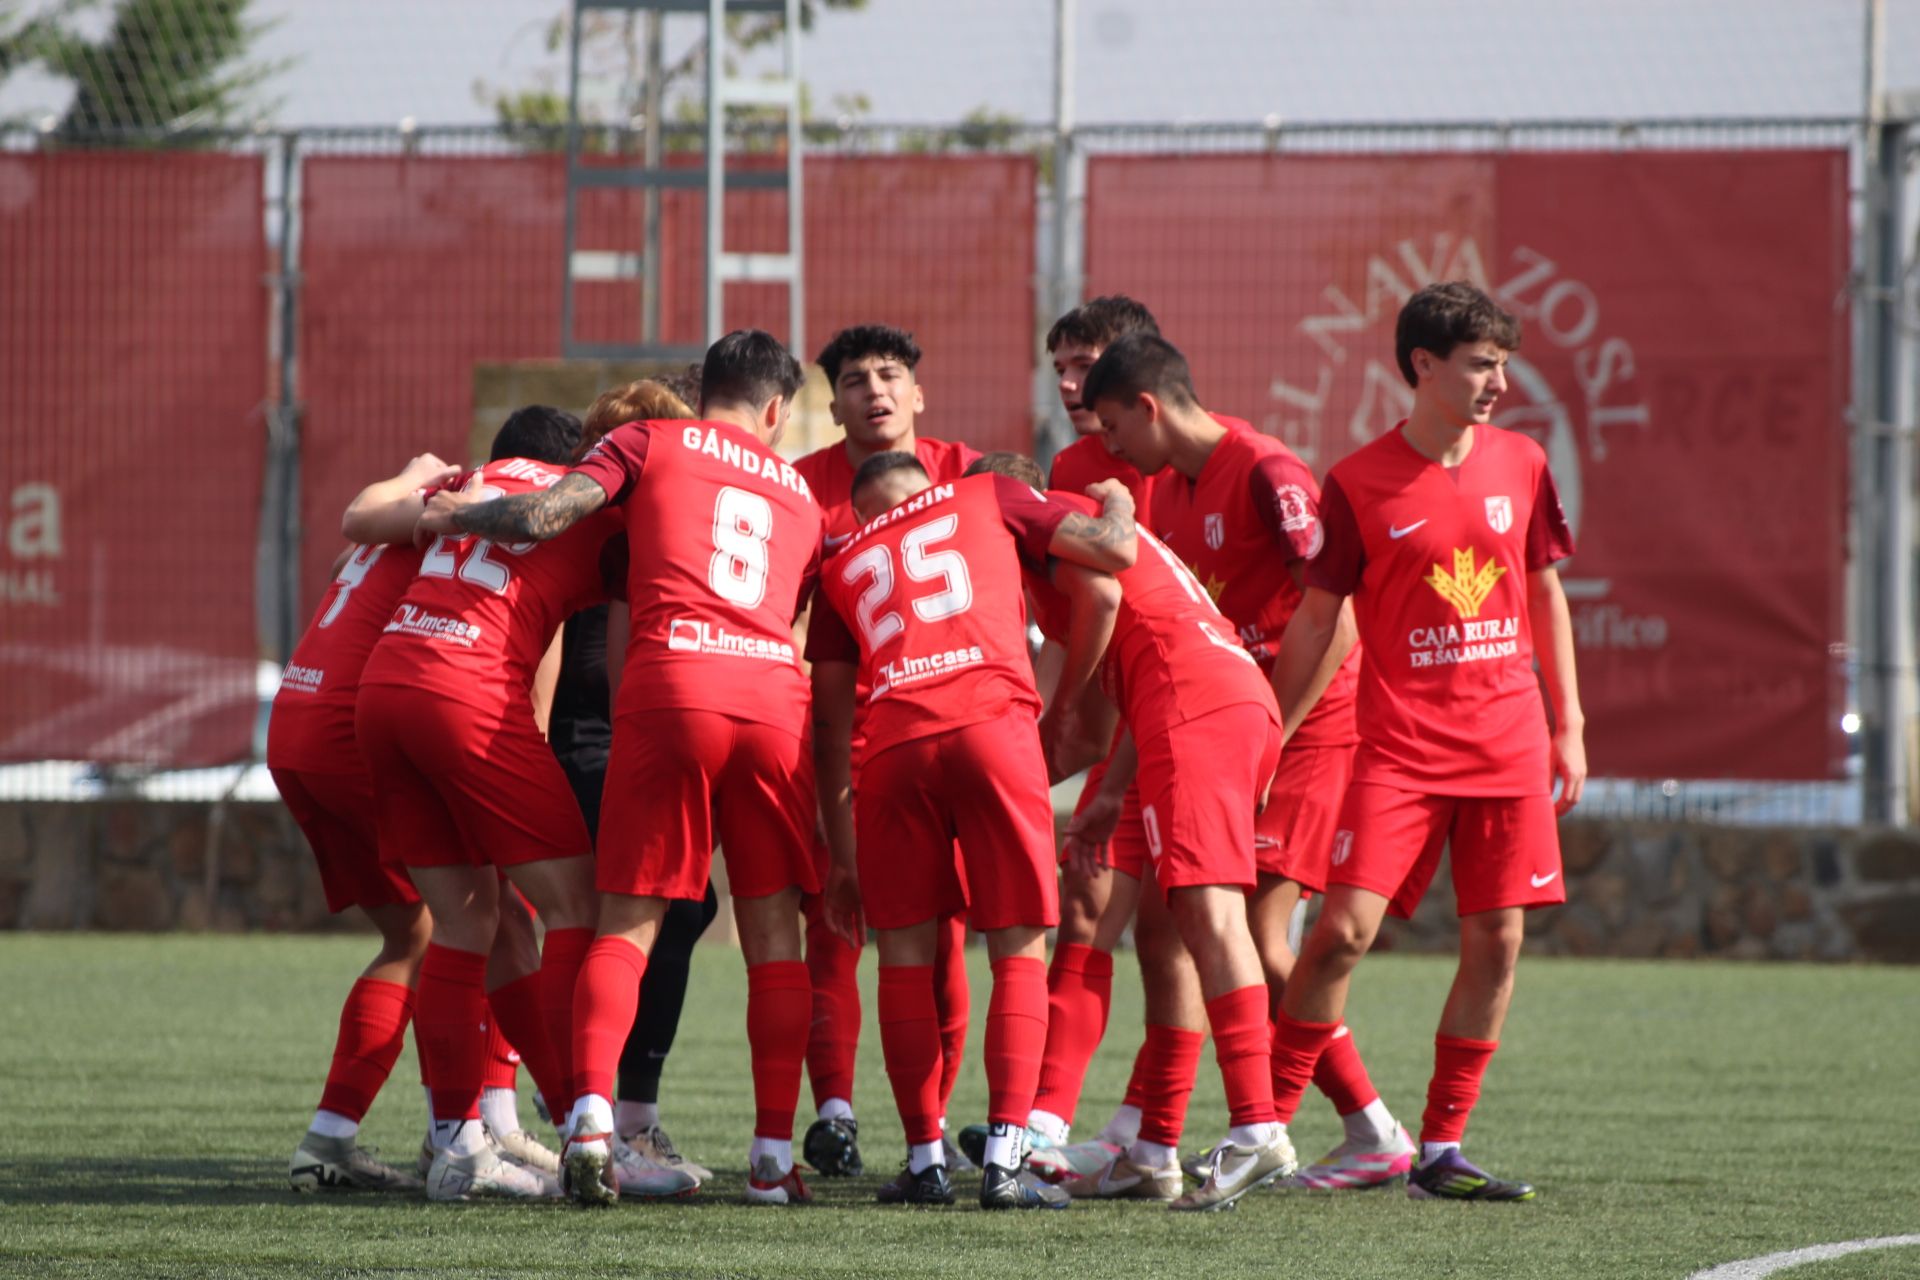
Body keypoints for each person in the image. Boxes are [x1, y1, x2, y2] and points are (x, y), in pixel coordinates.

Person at [422, 331, 827, 1208]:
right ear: (774, 412)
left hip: (673, 682)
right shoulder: (801, 490)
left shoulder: (649, 439)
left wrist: (454, 515)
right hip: (769, 701)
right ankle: (768, 1160)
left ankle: (595, 1125)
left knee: (626, 924)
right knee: (773, 943)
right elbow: (797, 617)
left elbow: (546, 513)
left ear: (707, 388)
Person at [1263, 281, 1586, 1201]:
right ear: (1422, 366)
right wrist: (1272, 730)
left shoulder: (1523, 461)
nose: (1498, 382)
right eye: (1483, 364)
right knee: (1336, 939)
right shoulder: (1358, 482)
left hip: (1509, 745)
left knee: (1498, 942)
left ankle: (1439, 1148)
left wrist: (1568, 722)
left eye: (1503, 364)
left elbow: (1547, 592)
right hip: (1399, 752)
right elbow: (1318, 621)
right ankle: (1267, 1132)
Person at [1085, 330, 1415, 1190]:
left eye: (1113, 422)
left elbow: (1335, 622)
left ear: (1147, 406)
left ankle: (1360, 1128)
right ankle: (1152, 1143)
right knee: (1169, 924)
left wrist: (1277, 731)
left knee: (1258, 942)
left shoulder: (1269, 471)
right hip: (1231, 726)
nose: (1108, 445)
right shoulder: (1168, 488)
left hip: (1298, 729)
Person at [808, 453, 1138, 1209]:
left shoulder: (843, 558)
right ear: (927, 490)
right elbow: (1111, 561)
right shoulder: (984, 493)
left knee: (902, 957)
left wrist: (840, 844)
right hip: (992, 721)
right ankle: (1006, 1160)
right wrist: (1117, 498)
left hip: (889, 748)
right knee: (1018, 948)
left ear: (861, 512)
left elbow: (829, 720)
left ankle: (925, 1159)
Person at [356, 406, 626, 1202]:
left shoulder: (484, 477)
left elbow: (360, 519)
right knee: (575, 905)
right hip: (464, 689)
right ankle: (588, 1119)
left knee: (467, 924)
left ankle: (458, 1146)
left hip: (386, 683)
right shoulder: (600, 495)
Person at [1006, 296, 1214, 1188]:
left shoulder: (1221, 456)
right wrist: (1055, 726)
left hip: (1213, 713)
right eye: (1057, 365)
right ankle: (1052, 1126)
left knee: (1195, 934)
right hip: (1138, 717)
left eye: (1083, 363)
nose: (1067, 382)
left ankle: (1172, 1133)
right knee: (1093, 909)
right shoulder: (1072, 465)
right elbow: (1081, 614)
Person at [792, 324, 981, 1178]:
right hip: (834, 737)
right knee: (830, 918)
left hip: (942, 731)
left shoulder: (971, 473)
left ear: (918, 394)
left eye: (891, 374)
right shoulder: (799, 491)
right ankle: (834, 1111)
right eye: (855, 378)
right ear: (829, 403)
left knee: (940, 934)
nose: (874, 389)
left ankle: (931, 1128)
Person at [547, 376, 719, 1190]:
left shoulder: (628, 513)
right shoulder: (614, 521)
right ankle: (601, 1117)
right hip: (597, 739)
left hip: (614, 735)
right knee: (627, 915)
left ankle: (593, 1116)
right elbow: (586, 656)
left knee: (668, 910)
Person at [277, 453, 452, 1194]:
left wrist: (415, 474)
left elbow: (349, 546)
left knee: (414, 933)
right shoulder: (469, 513)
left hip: (293, 722)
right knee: (493, 918)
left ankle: (332, 1137)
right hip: (348, 733)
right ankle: (467, 1132)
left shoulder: (409, 508)